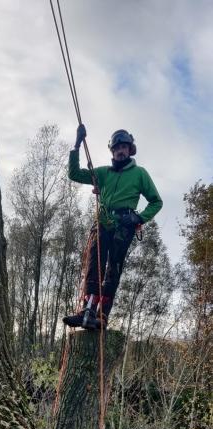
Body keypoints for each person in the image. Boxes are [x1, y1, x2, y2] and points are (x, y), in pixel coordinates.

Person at [63, 126, 163, 329]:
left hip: (124, 226)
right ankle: (87, 311)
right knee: (94, 265)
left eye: (124, 147)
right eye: (117, 148)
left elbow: (156, 201)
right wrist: (77, 145)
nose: (120, 151)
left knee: (113, 269)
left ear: (130, 149)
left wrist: (138, 217)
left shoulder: (139, 174)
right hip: (103, 223)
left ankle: (102, 316)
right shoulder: (103, 173)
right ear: (112, 151)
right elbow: (74, 174)